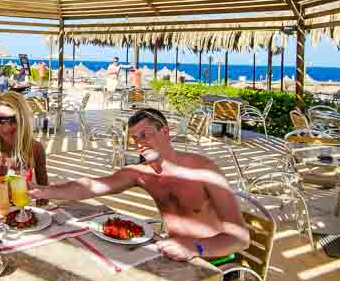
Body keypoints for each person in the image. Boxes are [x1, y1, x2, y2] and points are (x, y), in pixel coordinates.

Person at [29, 108, 249, 262]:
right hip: (171, 253)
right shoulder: (141, 173)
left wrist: (195, 248)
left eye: (145, 134)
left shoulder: (204, 170)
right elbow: (91, 186)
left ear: (165, 132)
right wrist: (44, 191)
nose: (139, 143)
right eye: (135, 138)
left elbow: (239, 239)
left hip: (211, 259)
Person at [0, 92, 48, 218]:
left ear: (24, 120)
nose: (6, 127)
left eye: (13, 120)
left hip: (23, 218)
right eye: (1, 120)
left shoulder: (36, 149)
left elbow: (44, 197)